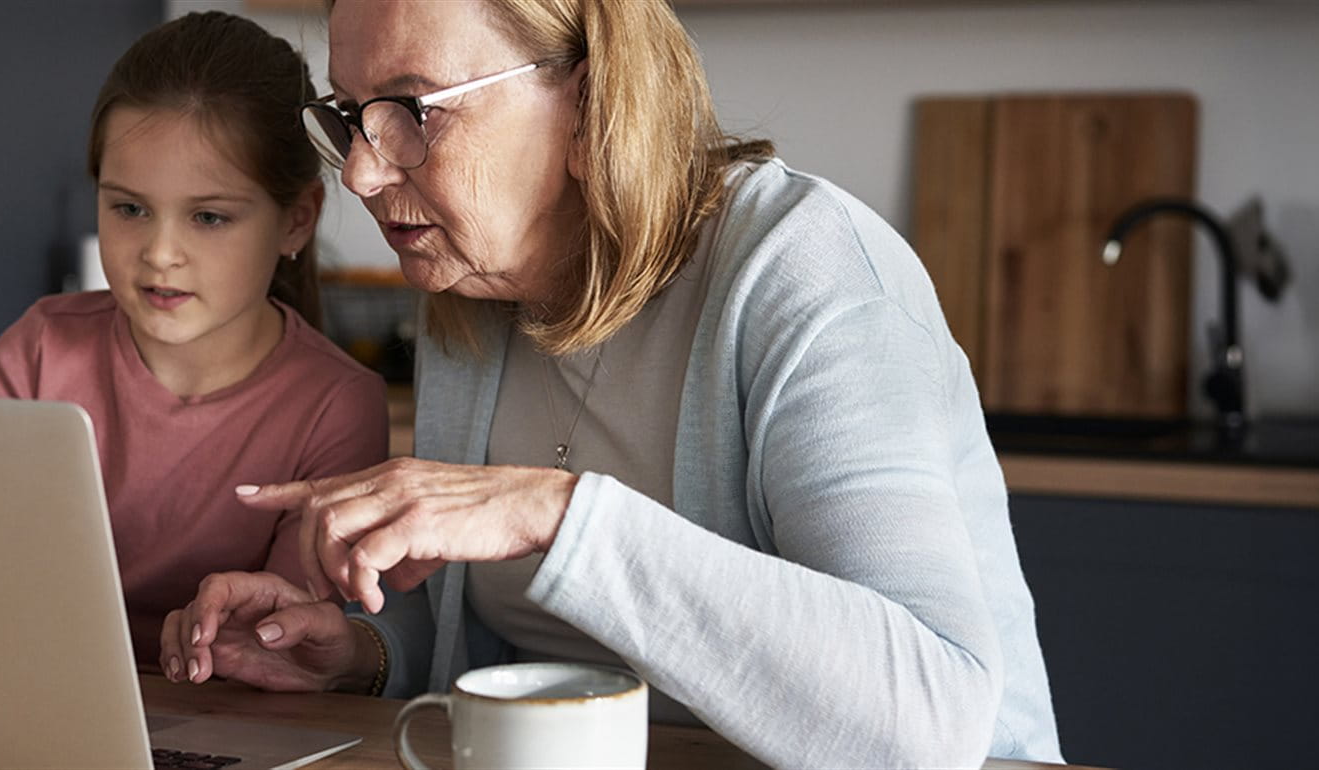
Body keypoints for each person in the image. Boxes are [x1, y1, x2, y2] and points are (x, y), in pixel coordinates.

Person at [159, 1, 1063, 767]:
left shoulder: (806, 267)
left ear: (592, 105)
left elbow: (931, 721)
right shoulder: (472, 290)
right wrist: (360, 655)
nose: (360, 169)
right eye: (351, 113)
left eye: (411, 109)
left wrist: (554, 515)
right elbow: (515, 637)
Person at [0, 11, 388, 665]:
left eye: (209, 217)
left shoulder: (337, 407)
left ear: (296, 221)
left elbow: (279, 638)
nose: (160, 253)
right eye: (129, 208)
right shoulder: (39, 352)